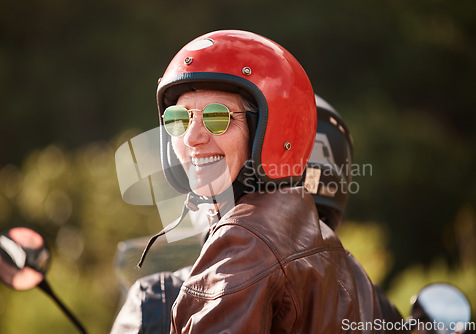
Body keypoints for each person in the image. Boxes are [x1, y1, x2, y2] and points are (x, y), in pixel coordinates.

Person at [112, 29, 404, 326]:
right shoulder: (349, 272)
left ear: (265, 131)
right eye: (178, 118)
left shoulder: (244, 242)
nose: (192, 137)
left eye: (217, 117)